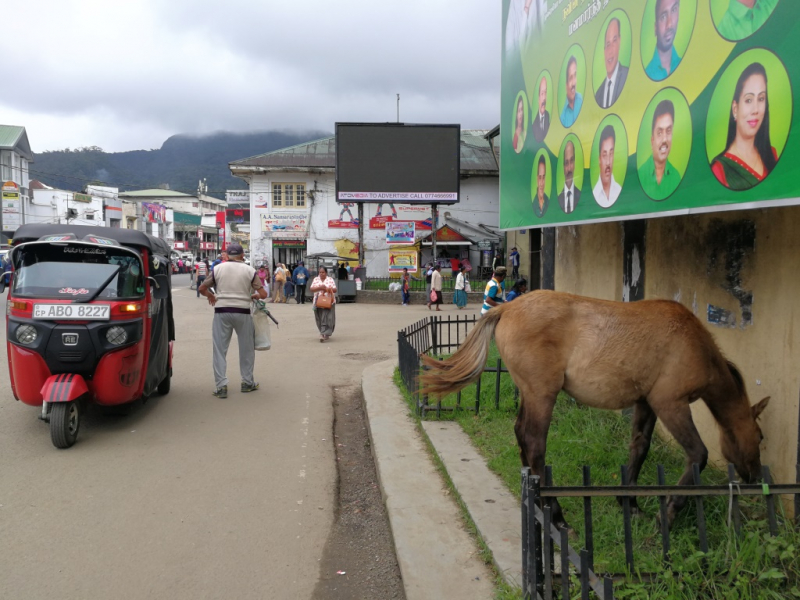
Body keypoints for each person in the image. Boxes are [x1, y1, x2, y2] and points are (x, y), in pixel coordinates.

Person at [198, 243, 268, 399]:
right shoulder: (250, 270)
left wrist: (211, 296)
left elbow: (202, 288)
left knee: (219, 350)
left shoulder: (217, 269)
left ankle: (221, 386)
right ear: (242, 255)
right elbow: (263, 294)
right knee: (246, 349)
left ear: (227, 255)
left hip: (221, 312)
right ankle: (247, 382)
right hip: (243, 312)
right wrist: (254, 295)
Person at [711, 62, 777, 191]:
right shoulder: (720, 170)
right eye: (748, 100)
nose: (756, 110)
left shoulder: (772, 155)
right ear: (735, 109)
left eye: (761, 99)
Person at [638, 99, 682, 200]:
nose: (665, 139)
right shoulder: (641, 174)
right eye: (659, 133)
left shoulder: (676, 177)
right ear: (652, 140)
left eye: (668, 131)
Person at [595, 17, 629, 109]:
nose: (610, 51)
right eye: (608, 44)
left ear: (619, 42)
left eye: (614, 41)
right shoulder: (598, 94)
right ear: (604, 51)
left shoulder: (628, 76)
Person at [645, 0, 682, 81]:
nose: (669, 24)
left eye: (673, 10)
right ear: (655, 28)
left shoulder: (685, 65)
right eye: (663, 17)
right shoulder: (646, 76)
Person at [593, 125, 622, 208]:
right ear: (599, 159)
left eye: (611, 154)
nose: (608, 162)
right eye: (605, 155)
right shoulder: (595, 194)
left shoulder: (619, 190)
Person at [310, 266, 337, 342]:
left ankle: (325, 333)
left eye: (323, 272)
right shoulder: (316, 279)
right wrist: (320, 288)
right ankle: (322, 332)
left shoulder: (330, 279)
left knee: (328, 318)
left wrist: (328, 289)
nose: (321, 274)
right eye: (320, 272)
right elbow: (311, 289)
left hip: (329, 302)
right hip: (318, 301)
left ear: (326, 273)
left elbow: (335, 289)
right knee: (319, 317)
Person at [558, 140, 581, 214]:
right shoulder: (559, 199)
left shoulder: (580, 196)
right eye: (566, 163)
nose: (569, 169)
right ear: (563, 166)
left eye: (571, 161)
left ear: (574, 163)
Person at [560, 55, 583, 127]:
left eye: (575, 75)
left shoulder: (581, 100)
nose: (574, 83)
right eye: (570, 78)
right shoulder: (563, 118)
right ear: (566, 84)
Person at [532, 76, 550, 142]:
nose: (544, 98)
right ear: (538, 98)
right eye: (542, 94)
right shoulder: (534, 125)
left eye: (545, 93)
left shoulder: (548, 116)